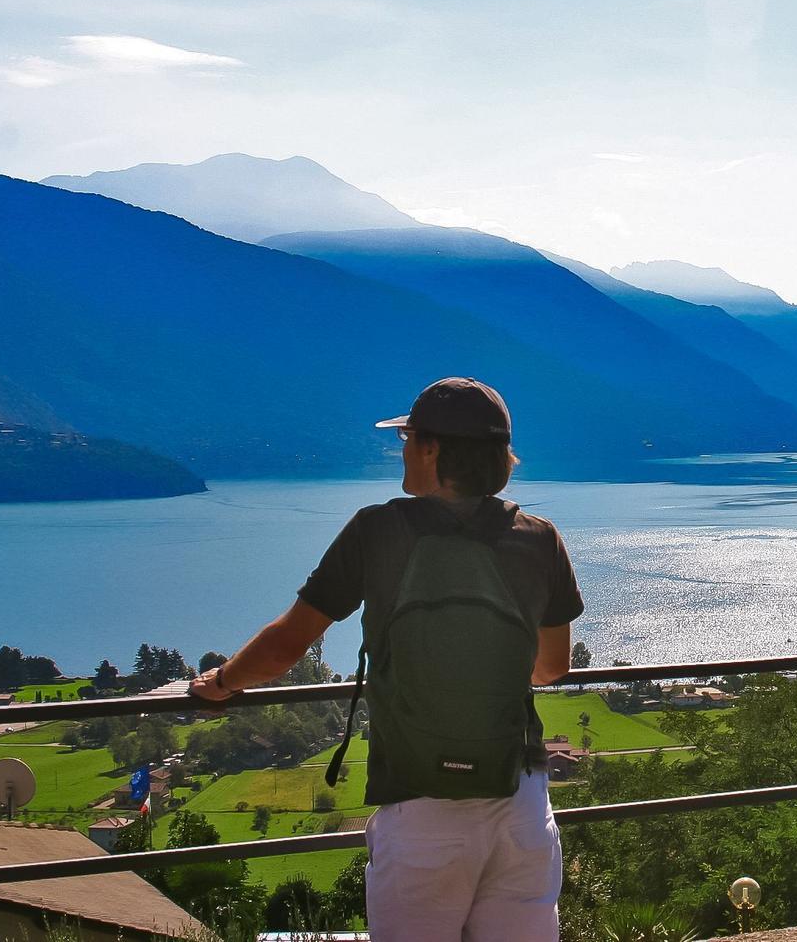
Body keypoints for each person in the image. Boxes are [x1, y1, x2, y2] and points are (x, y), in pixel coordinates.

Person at [189, 377, 583, 942]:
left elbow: (290, 642)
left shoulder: (378, 530)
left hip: (422, 805)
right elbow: (550, 667)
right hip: (520, 802)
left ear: (432, 448)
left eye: (406, 438)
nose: (400, 449)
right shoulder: (538, 536)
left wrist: (223, 682)